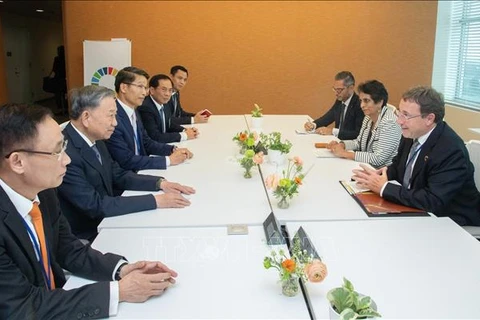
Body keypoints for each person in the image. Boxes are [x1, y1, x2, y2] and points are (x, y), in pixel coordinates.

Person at [0, 103, 178, 318]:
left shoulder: (43, 192)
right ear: (18, 162)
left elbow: (68, 249)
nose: (66, 159)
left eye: (64, 147)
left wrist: (121, 270)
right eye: (57, 151)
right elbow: (22, 306)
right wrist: (119, 292)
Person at [57, 85, 195, 241]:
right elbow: (94, 205)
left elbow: (117, 174)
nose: (115, 123)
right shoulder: (64, 154)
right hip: (89, 235)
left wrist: (159, 183)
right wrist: (155, 200)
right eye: (111, 116)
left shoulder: (95, 138)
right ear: (86, 117)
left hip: (110, 220)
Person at [352, 86, 480, 226]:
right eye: (399, 113)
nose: (399, 121)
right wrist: (380, 175)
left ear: (429, 119)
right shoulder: (411, 133)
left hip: (450, 220)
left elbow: (433, 200)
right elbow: (398, 165)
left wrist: (384, 188)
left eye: (406, 115)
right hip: (419, 210)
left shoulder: (450, 149)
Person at [105, 66, 193, 171]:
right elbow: (126, 160)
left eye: (145, 87)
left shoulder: (134, 111)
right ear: (123, 88)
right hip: (127, 177)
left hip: (141, 169)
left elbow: (146, 142)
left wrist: (172, 149)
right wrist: (168, 160)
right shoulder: (112, 117)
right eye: (140, 86)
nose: (144, 92)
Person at [327, 80, 401, 168]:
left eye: (366, 101)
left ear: (380, 102)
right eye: (361, 101)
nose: (362, 105)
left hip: (381, 173)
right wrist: (342, 144)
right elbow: (359, 142)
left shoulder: (390, 123)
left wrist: (346, 154)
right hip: (366, 167)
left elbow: (378, 159)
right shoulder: (368, 117)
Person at [138, 74, 199, 143]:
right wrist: (184, 135)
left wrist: (185, 130)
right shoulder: (146, 108)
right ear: (152, 90)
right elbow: (155, 137)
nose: (167, 94)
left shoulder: (165, 104)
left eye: (170, 90)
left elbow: (169, 124)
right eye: (164, 90)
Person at [304, 71, 364, 140]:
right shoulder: (339, 101)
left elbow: (358, 133)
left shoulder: (359, 105)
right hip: (337, 142)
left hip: (350, 146)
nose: (336, 93)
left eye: (339, 90)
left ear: (351, 88)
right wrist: (313, 125)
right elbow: (328, 117)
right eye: (334, 89)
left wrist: (333, 131)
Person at [48, 45, 67, 115]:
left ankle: (61, 109)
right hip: (65, 78)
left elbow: (54, 69)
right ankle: (66, 107)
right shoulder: (66, 58)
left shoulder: (57, 59)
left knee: (58, 94)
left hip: (58, 79)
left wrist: (49, 76)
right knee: (65, 94)